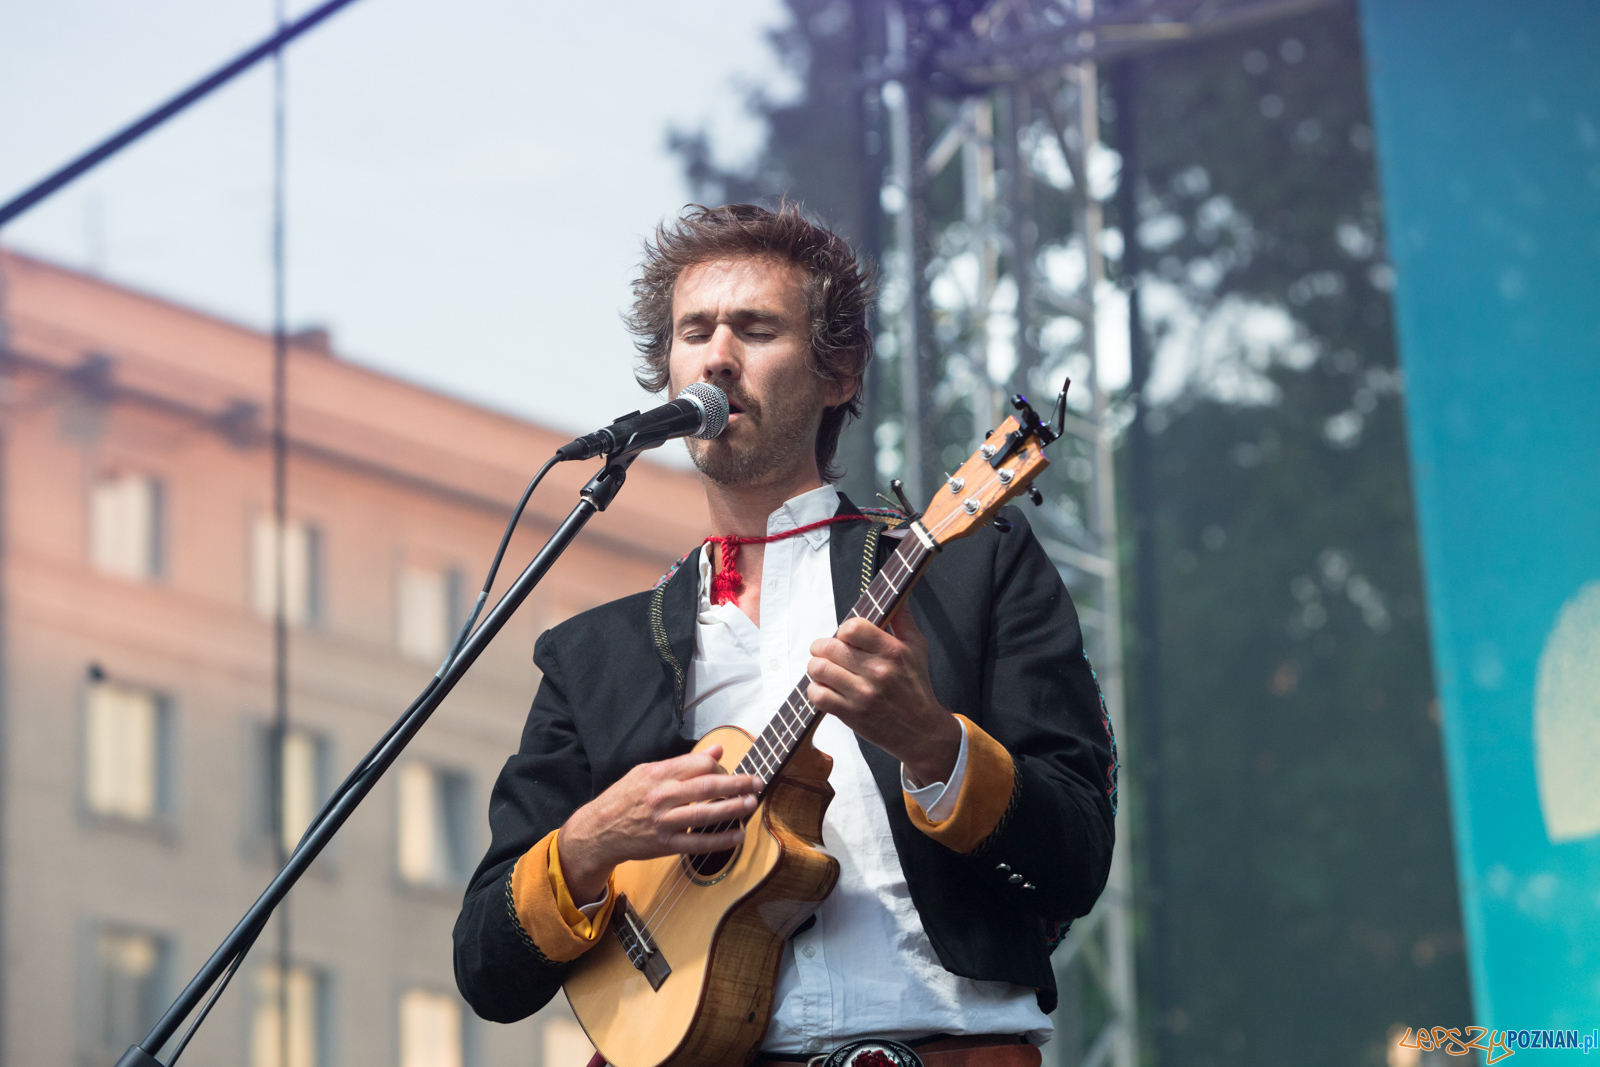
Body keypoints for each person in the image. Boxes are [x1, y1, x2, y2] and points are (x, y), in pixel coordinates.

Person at [453, 203, 1117, 1064]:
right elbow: (486, 968)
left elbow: (1077, 860)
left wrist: (934, 745)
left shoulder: (971, 569)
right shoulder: (593, 658)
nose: (718, 354)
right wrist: (592, 839)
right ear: (667, 376)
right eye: (695, 331)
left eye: (755, 328)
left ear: (838, 372)